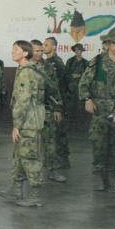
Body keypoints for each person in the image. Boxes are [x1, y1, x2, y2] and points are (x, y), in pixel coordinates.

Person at [79, 28, 115, 191]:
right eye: (113, 43)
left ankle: (112, 177)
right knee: (99, 142)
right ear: (107, 43)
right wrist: (87, 99)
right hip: (101, 110)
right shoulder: (97, 61)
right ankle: (100, 177)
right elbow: (84, 83)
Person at [0, 40, 45, 207]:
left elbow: (23, 100)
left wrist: (17, 125)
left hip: (29, 122)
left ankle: (35, 195)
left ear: (25, 53)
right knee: (19, 156)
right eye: (12, 48)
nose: (13, 52)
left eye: (16, 49)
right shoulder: (25, 68)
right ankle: (17, 189)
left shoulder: (26, 71)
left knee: (30, 157)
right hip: (28, 120)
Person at [31, 40, 66, 184]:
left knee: (50, 141)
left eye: (40, 50)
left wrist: (57, 107)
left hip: (46, 109)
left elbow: (54, 89)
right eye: (36, 50)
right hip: (30, 110)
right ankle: (32, 173)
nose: (39, 53)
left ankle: (53, 171)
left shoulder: (48, 67)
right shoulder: (26, 67)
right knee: (31, 143)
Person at [43, 37, 69, 168]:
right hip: (51, 103)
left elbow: (57, 87)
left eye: (47, 45)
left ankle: (61, 161)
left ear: (54, 47)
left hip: (56, 103)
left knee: (58, 133)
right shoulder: (45, 62)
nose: (44, 47)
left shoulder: (56, 63)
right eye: (43, 44)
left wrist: (57, 107)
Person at [65, 43, 88, 129]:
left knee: (81, 107)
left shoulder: (86, 63)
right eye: (77, 50)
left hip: (81, 89)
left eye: (80, 50)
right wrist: (71, 76)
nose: (78, 51)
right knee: (70, 107)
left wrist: (80, 76)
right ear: (74, 51)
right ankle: (70, 127)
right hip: (71, 89)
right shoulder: (70, 61)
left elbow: (87, 76)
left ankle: (81, 127)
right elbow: (66, 74)